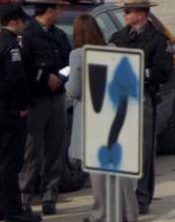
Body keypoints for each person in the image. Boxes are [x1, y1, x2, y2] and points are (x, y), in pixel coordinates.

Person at [66, 15, 138, 222]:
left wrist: (65, 88)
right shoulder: (114, 48)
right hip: (115, 116)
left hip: (92, 120)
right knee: (120, 168)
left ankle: (101, 213)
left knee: (97, 172)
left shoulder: (78, 55)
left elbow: (75, 89)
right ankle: (128, 212)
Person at [109, 0, 174, 215]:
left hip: (144, 97)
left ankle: (142, 197)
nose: (125, 14)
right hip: (119, 99)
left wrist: (139, 73)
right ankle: (122, 197)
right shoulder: (118, 37)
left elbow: (164, 71)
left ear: (142, 13)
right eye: (124, 11)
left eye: (129, 11)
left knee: (144, 151)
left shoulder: (158, 40)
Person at [0, 2, 40, 222]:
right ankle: (13, 210)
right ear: (14, 21)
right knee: (11, 162)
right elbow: (17, 79)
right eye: (22, 20)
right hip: (9, 109)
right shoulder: (10, 45)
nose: (25, 24)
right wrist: (23, 105)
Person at [19, 0, 72, 216]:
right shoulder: (27, 34)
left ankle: (50, 196)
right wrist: (43, 79)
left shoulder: (59, 35)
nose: (61, 12)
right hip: (36, 100)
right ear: (49, 10)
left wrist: (60, 77)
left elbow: (71, 63)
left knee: (55, 148)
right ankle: (24, 197)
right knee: (32, 152)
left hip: (57, 99)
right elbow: (21, 68)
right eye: (58, 8)